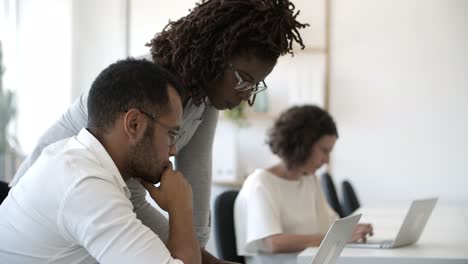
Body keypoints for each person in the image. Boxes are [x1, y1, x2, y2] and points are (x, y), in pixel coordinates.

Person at [9, 1, 308, 262]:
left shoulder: (202, 101)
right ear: (216, 54)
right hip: (54, 228)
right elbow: (135, 203)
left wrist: (200, 253)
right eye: (244, 79)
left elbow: (197, 179)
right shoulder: (143, 90)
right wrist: (192, 241)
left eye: (255, 85)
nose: (247, 95)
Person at [0, 59, 201, 263]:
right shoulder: (84, 184)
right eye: (171, 135)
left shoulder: (74, 160)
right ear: (134, 124)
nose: (174, 149)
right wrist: (180, 208)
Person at [234, 105, 373, 263]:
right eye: (324, 150)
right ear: (303, 144)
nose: (326, 160)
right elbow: (274, 243)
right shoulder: (261, 182)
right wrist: (339, 237)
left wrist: (352, 231)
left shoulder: (309, 179)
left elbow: (330, 226)